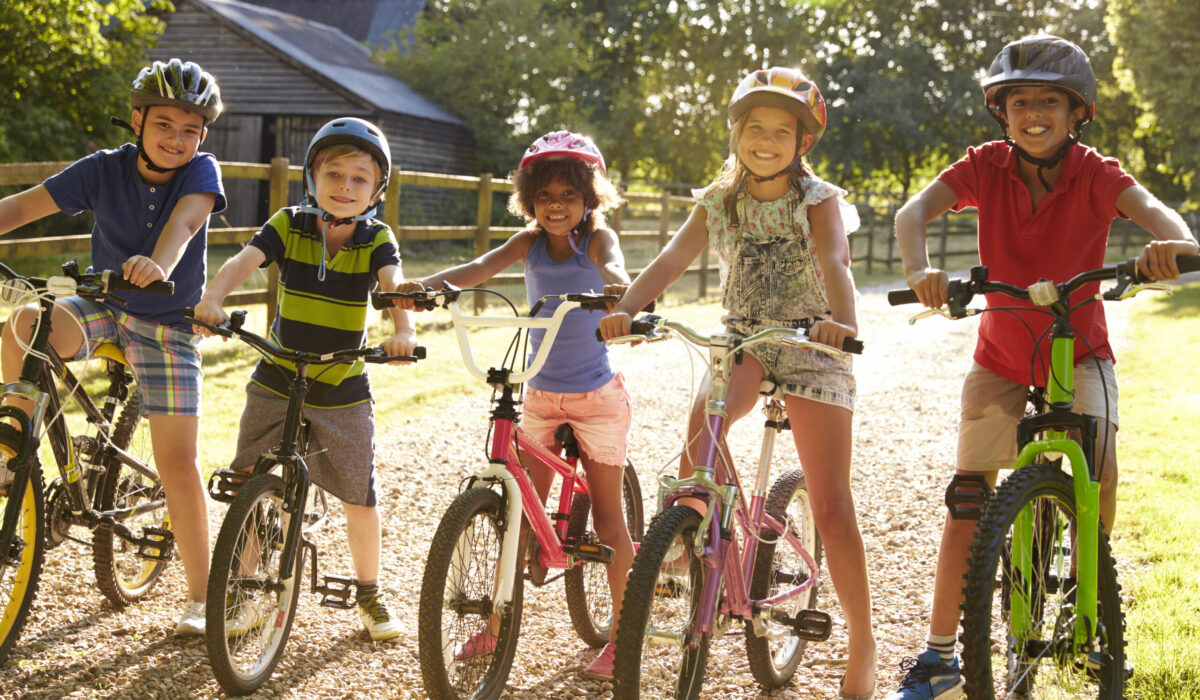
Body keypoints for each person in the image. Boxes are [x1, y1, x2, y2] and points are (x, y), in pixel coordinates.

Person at [887, 34, 1198, 700]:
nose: (1033, 113)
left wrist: (1175, 243)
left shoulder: (1095, 172)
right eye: (1019, 100)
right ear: (1001, 111)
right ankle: (940, 659)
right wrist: (920, 271)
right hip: (1001, 355)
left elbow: (1152, 211)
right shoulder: (984, 166)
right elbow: (912, 211)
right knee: (968, 497)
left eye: (1049, 101)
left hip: (1078, 348)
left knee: (1100, 471)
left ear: (1077, 111)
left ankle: (1087, 602)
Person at [599, 67, 877, 699]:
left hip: (813, 339)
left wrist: (843, 322)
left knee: (833, 506)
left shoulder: (820, 199)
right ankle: (691, 521)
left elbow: (834, 261)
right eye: (755, 128)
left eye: (783, 131)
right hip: (746, 334)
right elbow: (671, 259)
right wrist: (628, 310)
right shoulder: (719, 200)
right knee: (708, 417)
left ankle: (863, 641)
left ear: (803, 142)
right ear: (736, 133)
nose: (767, 140)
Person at [0, 59, 226, 636]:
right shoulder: (103, 169)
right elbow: (24, 207)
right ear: (137, 120)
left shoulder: (201, 172)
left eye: (190, 129)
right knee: (27, 322)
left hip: (168, 321)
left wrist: (160, 264)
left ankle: (203, 599)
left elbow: (186, 225)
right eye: (165, 124)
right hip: (104, 304)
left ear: (202, 137)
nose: (177, 138)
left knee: (177, 463)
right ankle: (15, 448)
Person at [402, 130, 634, 680]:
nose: (557, 206)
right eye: (545, 195)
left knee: (606, 520)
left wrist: (620, 288)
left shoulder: (596, 240)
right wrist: (423, 287)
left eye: (569, 196)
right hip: (540, 390)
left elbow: (616, 267)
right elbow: (476, 270)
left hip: (595, 396)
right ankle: (496, 627)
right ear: (529, 199)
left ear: (589, 200)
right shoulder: (527, 243)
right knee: (519, 515)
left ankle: (624, 638)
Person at [191, 117, 417, 642]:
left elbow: (394, 288)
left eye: (359, 178)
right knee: (249, 476)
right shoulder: (288, 224)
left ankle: (370, 593)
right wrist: (212, 301)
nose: (344, 186)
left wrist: (402, 330)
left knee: (359, 494)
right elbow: (240, 263)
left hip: (342, 385)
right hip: (278, 373)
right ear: (310, 179)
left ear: (377, 191)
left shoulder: (377, 237)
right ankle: (245, 586)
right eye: (333, 173)